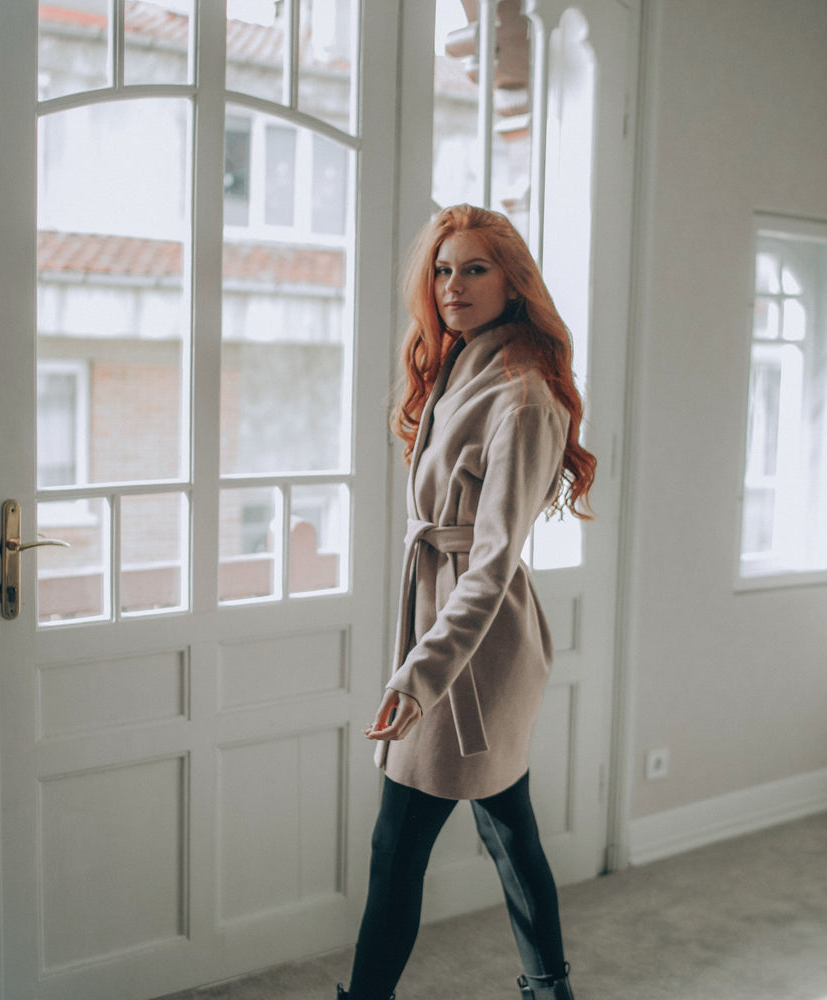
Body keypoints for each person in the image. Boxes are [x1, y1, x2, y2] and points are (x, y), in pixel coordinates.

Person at [337, 204, 596, 1000]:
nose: (453, 286)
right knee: (508, 830)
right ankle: (551, 990)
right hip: (448, 627)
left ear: (513, 283)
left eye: (475, 269)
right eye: (443, 269)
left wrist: (418, 677)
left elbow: (490, 563)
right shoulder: (462, 362)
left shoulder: (522, 394)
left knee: (398, 848)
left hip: (472, 652)